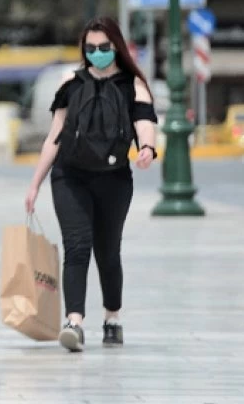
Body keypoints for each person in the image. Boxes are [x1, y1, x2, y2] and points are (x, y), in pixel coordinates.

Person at [22, 17, 158, 353]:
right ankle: (75, 323)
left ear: (116, 47)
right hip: (70, 175)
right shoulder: (71, 83)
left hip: (114, 178)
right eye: (91, 48)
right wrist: (35, 183)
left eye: (104, 47)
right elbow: (55, 136)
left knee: (108, 251)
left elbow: (145, 122)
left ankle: (112, 318)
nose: (97, 53)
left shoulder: (133, 85)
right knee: (77, 246)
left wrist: (147, 148)